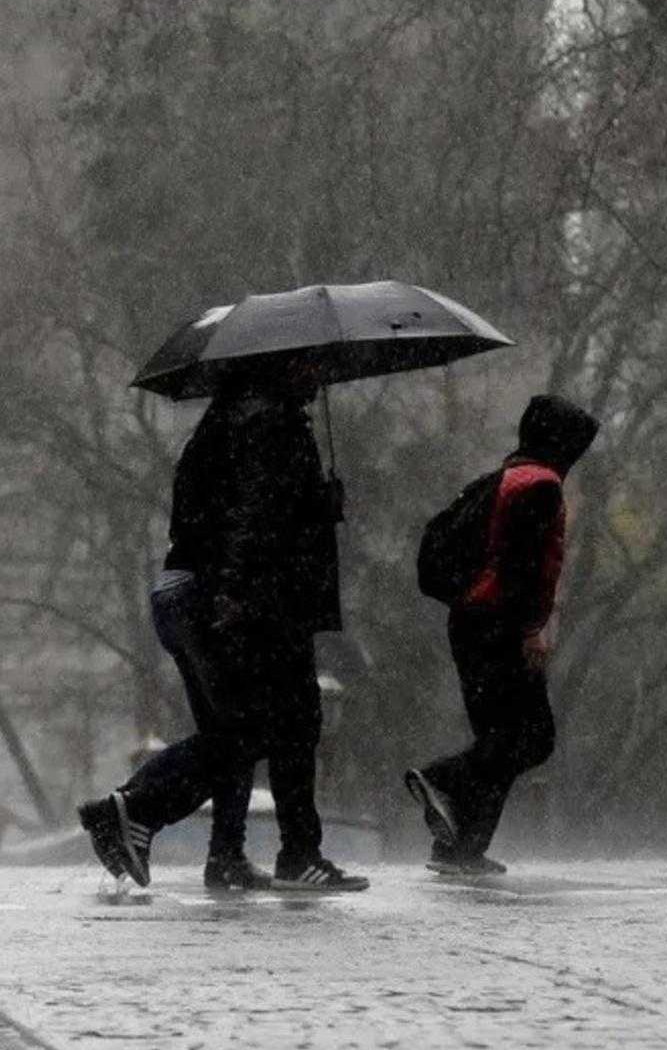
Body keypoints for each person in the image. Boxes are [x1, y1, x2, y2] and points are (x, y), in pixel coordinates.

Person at [78, 360, 369, 893]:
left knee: (234, 727)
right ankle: (133, 808)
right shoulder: (270, 421)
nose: (320, 376)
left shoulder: (218, 425)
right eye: (311, 366)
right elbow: (253, 515)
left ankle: (227, 853)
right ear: (281, 370)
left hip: (182, 591)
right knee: (272, 725)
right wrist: (235, 588)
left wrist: (315, 506)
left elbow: (225, 510)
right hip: (240, 597)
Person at [405, 395, 599, 875]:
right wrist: (531, 628)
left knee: (499, 740)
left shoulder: (501, 478)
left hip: (469, 619)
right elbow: (523, 566)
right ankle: (442, 779)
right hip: (500, 621)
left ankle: (461, 848)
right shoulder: (542, 487)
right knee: (533, 737)